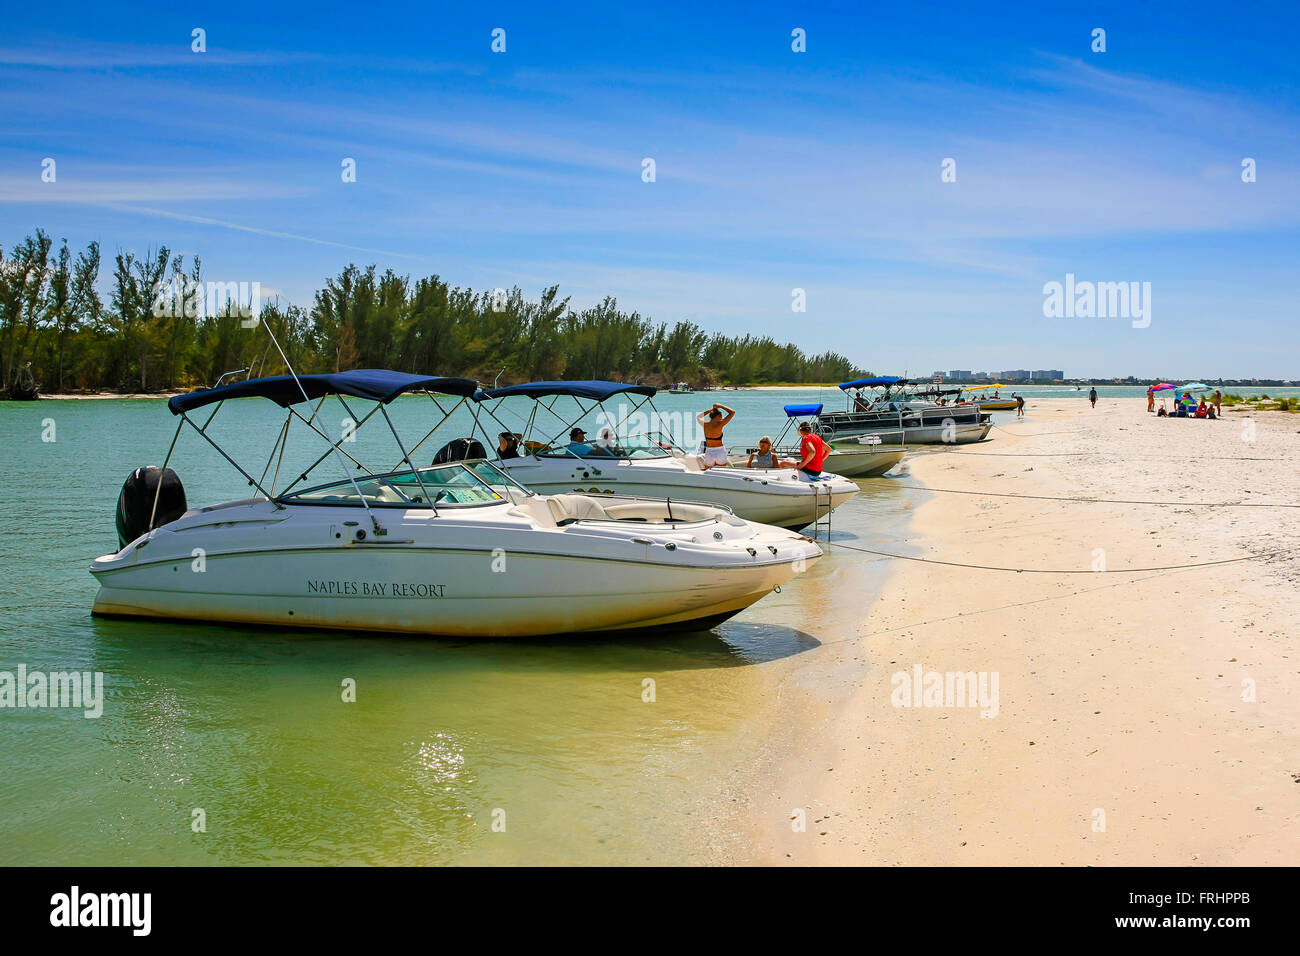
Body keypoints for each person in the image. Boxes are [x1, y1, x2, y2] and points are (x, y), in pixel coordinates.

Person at [696, 402, 736, 469]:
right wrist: (720, 406)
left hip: (709, 451)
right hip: (720, 451)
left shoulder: (705, 425)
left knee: (708, 472)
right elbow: (732, 412)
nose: (722, 418)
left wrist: (710, 410)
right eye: (721, 416)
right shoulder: (720, 424)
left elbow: (699, 416)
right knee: (722, 471)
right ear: (718, 416)